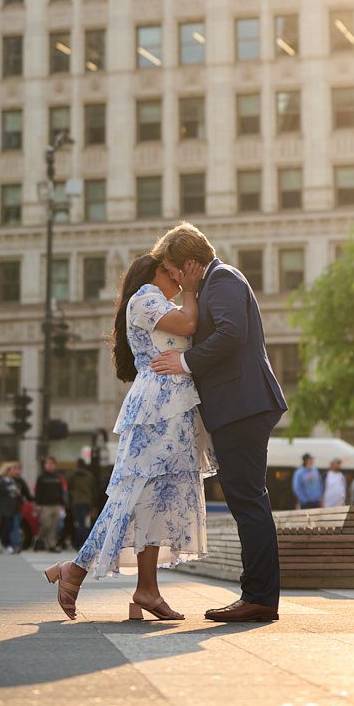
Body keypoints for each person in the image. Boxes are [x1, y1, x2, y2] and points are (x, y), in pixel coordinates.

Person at [46, 253, 212, 621]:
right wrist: (194, 289)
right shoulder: (146, 297)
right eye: (173, 271)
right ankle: (79, 571)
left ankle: (143, 589)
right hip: (159, 407)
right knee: (137, 493)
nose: (178, 277)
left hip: (175, 406)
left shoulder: (158, 300)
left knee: (155, 498)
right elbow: (187, 324)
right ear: (156, 271)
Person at [149, 223, 287, 623]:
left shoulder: (223, 278)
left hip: (242, 405)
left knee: (248, 500)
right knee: (247, 498)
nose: (173, 279)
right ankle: (258, 594)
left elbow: (232, 333)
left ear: (191, 264)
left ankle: (259, 597)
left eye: (175, 271)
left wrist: (185, 362)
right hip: (237, 406)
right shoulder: (210, 285)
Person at [34, 456, 68, 552]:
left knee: (54, 526)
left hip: (56, 504)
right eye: (48, 464)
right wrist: (38, 504)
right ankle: (39, 539)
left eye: (51, 464)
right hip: (45, 505)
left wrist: (63, 503)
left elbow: (61, 491)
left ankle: (52, 545)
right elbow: (38, 492)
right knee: (46, 524)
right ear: (45, 465)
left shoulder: (58, 478)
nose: (50, 466)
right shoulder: (41, 478)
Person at [68, 458, 97, 549]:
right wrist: (94, 505)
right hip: (87, 502)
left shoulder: (73, 476)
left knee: (79, 523)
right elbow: (94, 491)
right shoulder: (90, 476)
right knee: (84, 523)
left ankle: (80, 543)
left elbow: (69, 489)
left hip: (76, 502)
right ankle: (83, 543)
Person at [0, 462, 21, 554]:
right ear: (7, 471)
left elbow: (15, 494)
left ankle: (2, 543)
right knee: (7, 527)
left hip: (12, 509)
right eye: (12, 469)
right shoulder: (2, 482)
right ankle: (6, 544)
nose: (14, 471)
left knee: (11, 527)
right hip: (4, 509)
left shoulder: (13, 482)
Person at [11, 462, 31, 552]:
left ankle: (14, 544)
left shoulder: (21, 481)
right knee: (14, 526)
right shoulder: (7, 481)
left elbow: (27, 494)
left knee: (16, 526)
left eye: (18, 469)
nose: (17, 471)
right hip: (9, 508)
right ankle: (15, 545)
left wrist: (35, 500)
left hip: (18, 508)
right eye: (14, 468)